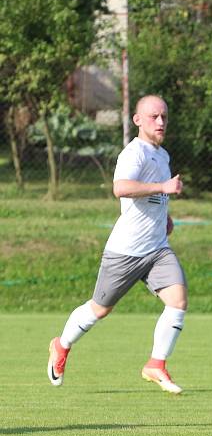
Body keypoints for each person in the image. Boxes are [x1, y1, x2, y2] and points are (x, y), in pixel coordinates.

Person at [47, 95, 188, 395]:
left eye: (164, 116)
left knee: (178, 301)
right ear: (137, 120)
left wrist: (165, 216)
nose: (161, 122)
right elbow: (121, 188)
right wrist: (163, 187)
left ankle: (156, 364)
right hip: (125, 251)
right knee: (99, 309)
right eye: (154, 117)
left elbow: (150, 197)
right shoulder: (133, 153)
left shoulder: (162, 156)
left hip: (157, 249)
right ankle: (61, 345)